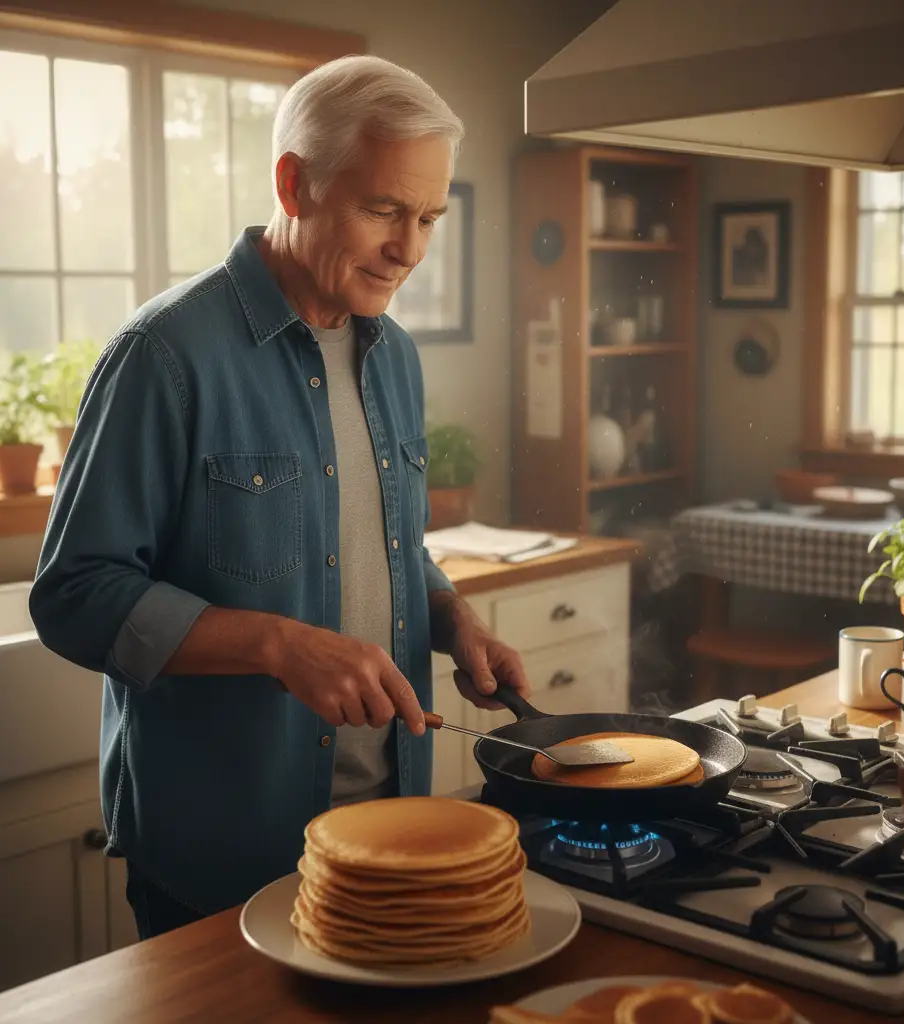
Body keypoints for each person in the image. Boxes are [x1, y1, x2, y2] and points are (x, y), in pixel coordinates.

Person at [29, 54, 530, 940]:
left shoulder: (397, 357)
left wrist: (456, 623)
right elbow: (74, 596)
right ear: (293, 184)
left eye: (428, 218)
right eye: (383, 210)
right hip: (224, 859)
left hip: (388, 836)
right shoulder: (164, 356)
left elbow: (391, 541)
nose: (409, 249)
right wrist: (280, 646)